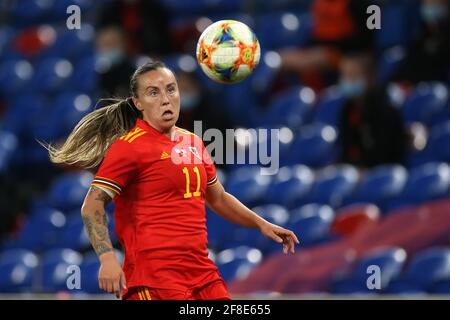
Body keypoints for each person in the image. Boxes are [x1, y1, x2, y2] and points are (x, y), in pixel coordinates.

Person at [46, 61, 299, 300]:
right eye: (153, 93)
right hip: (153, 279)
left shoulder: (193, 142)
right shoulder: (129, 148)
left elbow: (218, 198)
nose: (166, 99)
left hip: (202, 273)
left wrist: (262, 224)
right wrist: (107, 259)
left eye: (171, 89)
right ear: (138, 103)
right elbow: (92, 205)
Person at [337, 53, 408, 167]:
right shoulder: (348, 108)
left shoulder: (386, 107)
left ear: (370, 78)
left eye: (353, 76)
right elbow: (346, 148)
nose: (347, 81)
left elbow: (387, 152)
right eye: (345, 76)